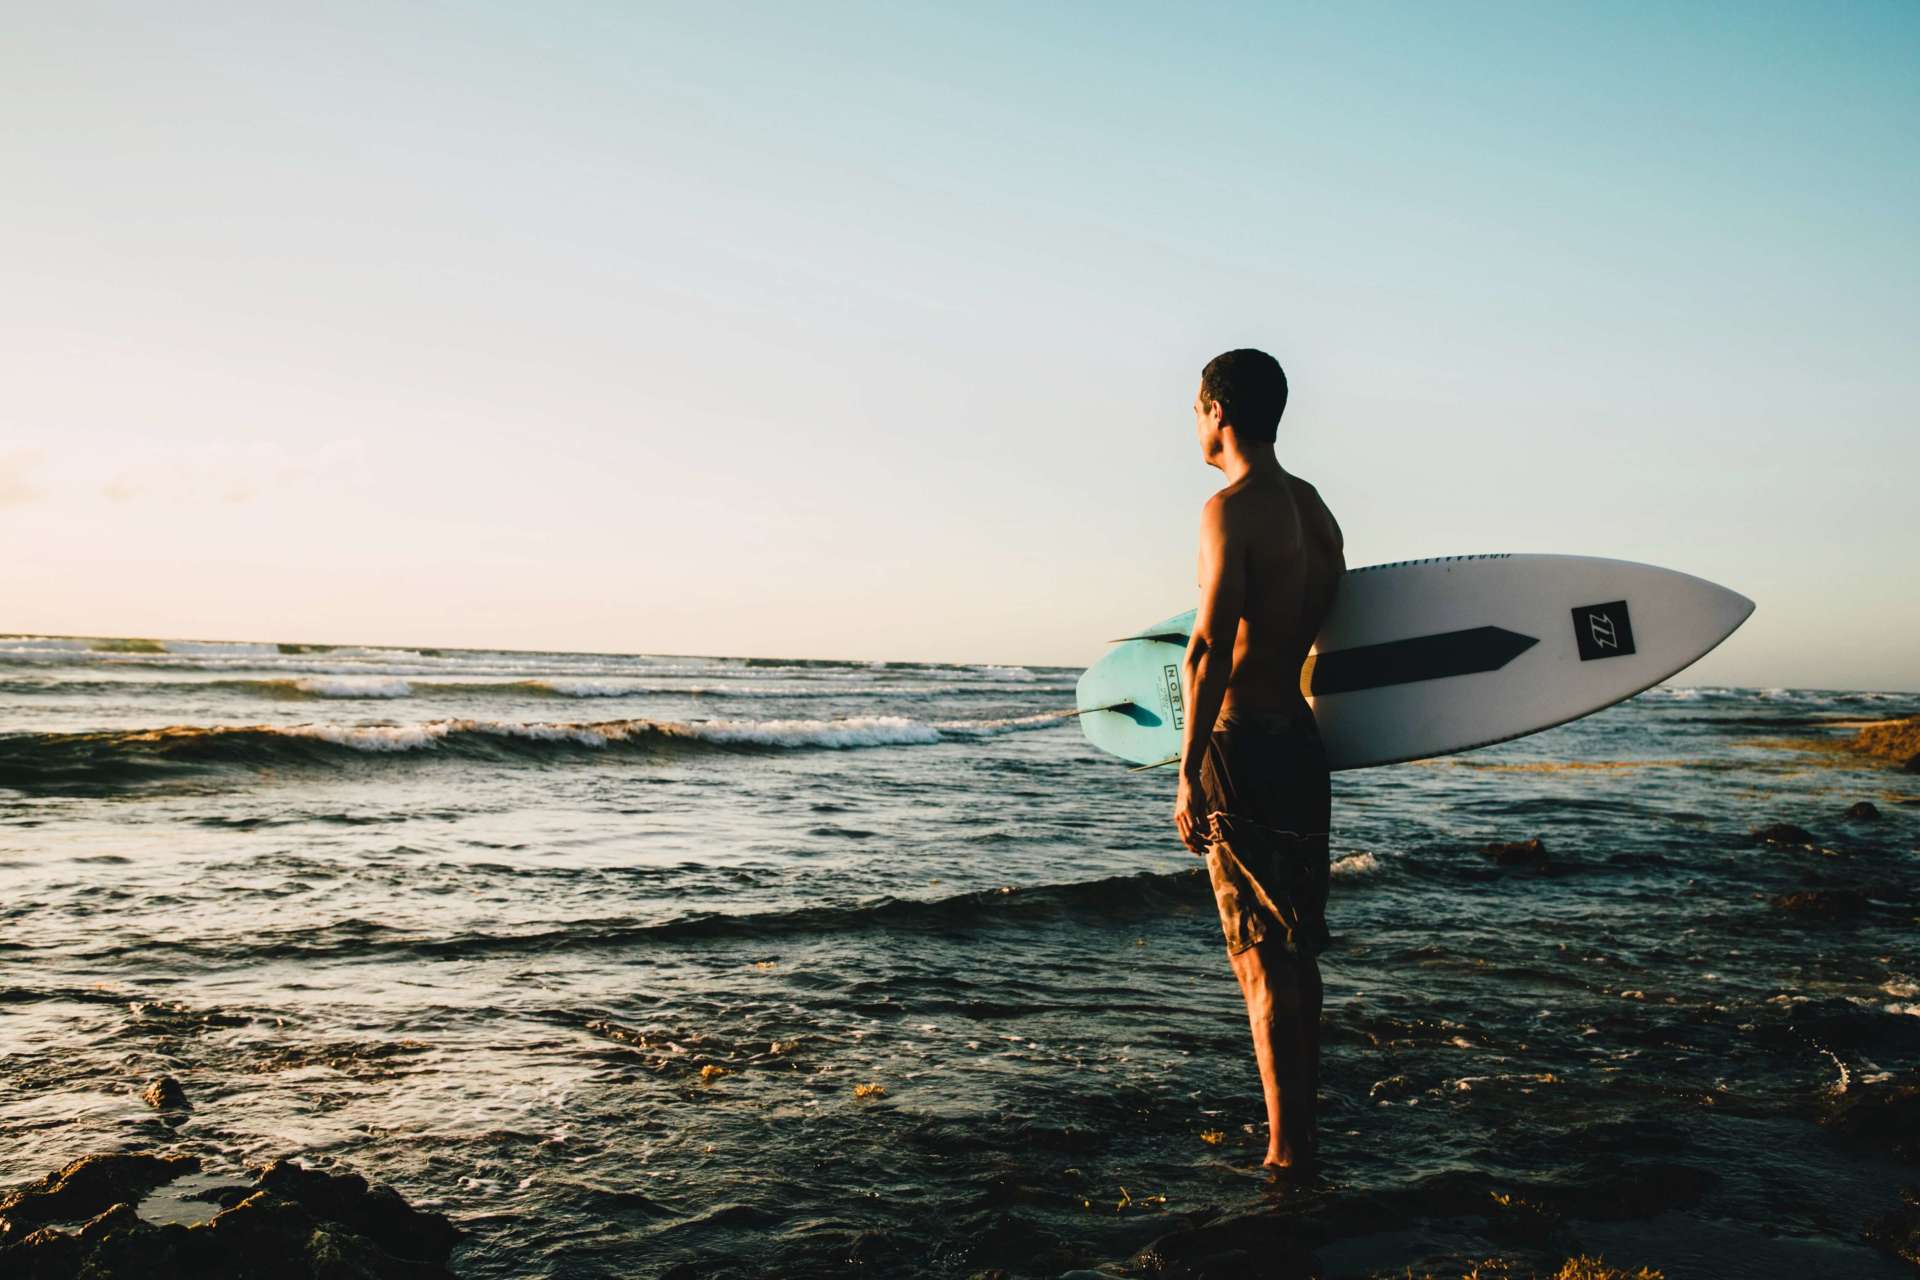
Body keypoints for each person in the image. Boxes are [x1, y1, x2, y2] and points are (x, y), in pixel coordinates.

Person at [1171, 348, 1344, 1171]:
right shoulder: (1315, 511)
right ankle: (1299, 1135)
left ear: (1218, 411)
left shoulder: (1229, 510)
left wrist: (1187, 768)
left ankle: (1285, 1155)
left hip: (1242, 745)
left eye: (1195, 409)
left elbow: (1207, 649)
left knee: (1258, 959)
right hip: (1303, 745)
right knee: (1297, 950)